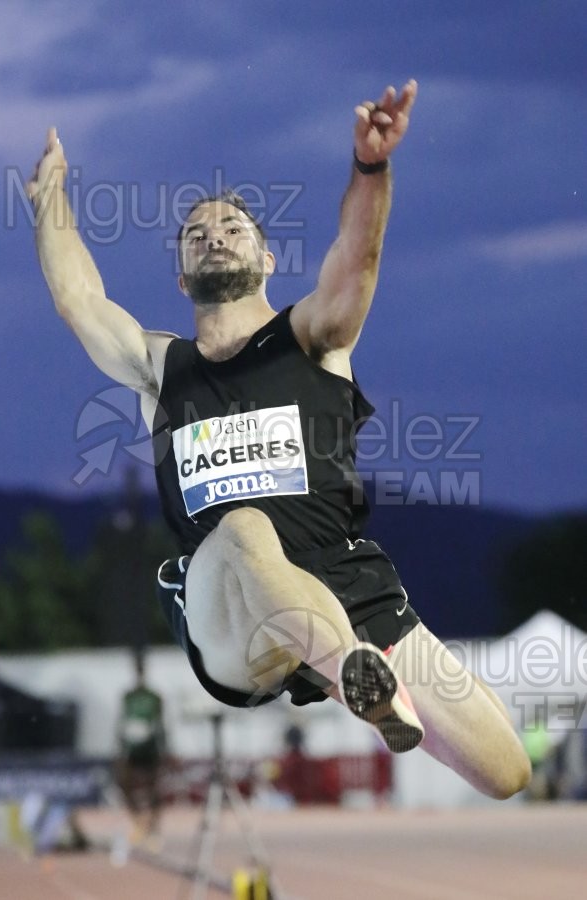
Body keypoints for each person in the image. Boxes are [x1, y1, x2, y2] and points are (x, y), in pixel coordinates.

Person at [27, 79, 531, 799]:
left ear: (268, 260)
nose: (214, 236)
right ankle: (360, 678)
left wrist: (370, 167)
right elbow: (79, 300)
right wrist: (50, 198)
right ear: (180, 276)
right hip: (230, 609)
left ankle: (353, 674)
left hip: (342, 582)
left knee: (506, 771)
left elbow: (358, 256)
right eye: (196, 234)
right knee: (243, 527)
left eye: (233, 227)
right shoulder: (159, 368)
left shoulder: (314, 338)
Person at [114, 650, 166, 843]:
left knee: (154, 788)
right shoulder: (128, 697)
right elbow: (121, 723)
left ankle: (153, 826)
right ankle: (137, 822)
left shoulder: (154, 697)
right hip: (132, 749)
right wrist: (119, 750)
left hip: (151, 748)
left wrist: (165, 750)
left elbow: (161, 724)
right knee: (124, 784)